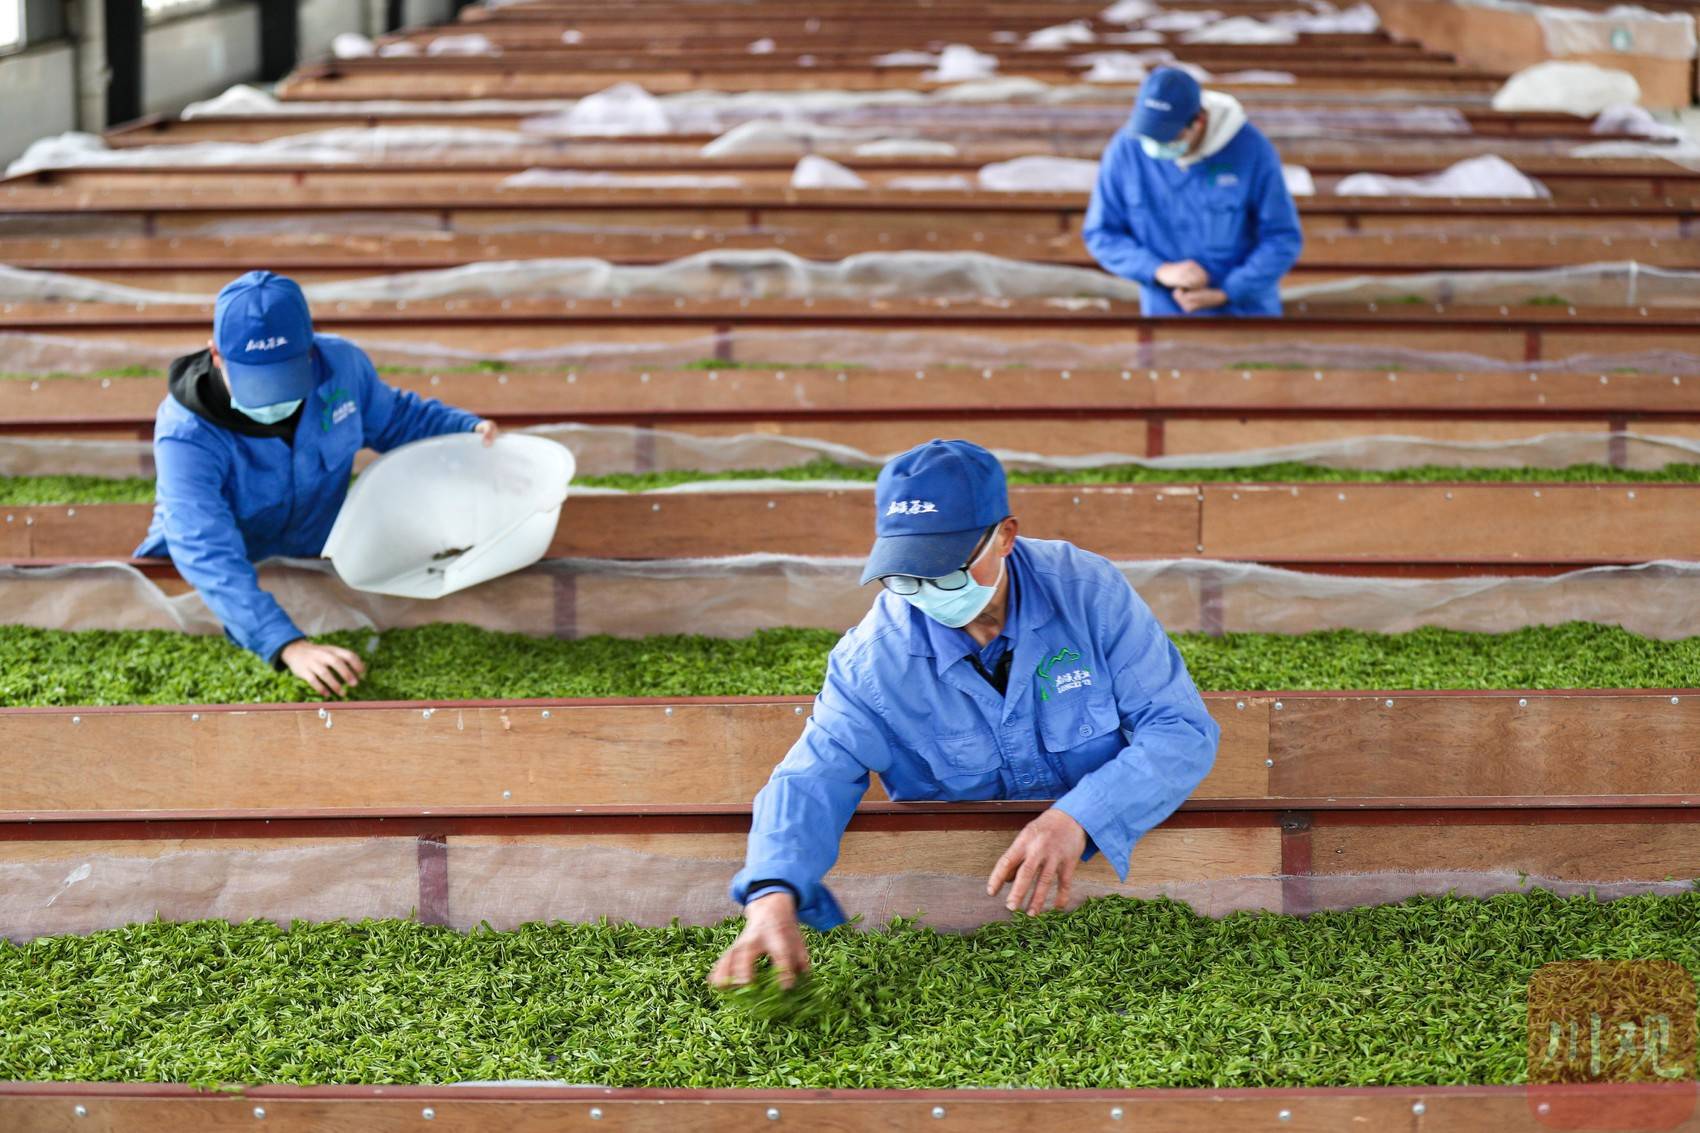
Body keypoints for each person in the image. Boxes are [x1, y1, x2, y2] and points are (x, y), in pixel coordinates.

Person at [710, 439, 1220, 988]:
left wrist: (1080, 817)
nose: (927, 594)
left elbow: (1181, 730)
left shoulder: (1088, 595)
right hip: (955, 906)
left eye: (946, 573)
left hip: (1105, 885)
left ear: (1004, 537)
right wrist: (772, 891)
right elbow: (812, 777)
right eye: (906, 577)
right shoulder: (874, 661)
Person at [134, 270, 498, 698]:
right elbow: (203, 544)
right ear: (216, 355)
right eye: (257, 382)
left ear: (309, 348)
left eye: (284, 378)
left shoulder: (341, 367)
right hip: (215, 589)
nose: (273, 400)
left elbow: (396, 418)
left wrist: (464, 430)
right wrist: (286, 644)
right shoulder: (187, 432)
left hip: (314, 555)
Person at [1082, 66, 1303, 318]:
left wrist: (1227, 291)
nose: (1157, 145)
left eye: (1168, 136)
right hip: (1165, 315)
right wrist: (1159, 270)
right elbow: (1102, 233)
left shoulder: (1252, 150)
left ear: (1198, 122)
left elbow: (1282, 237)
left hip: (1245, 313)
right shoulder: (1126, 150)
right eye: (1150, 134)